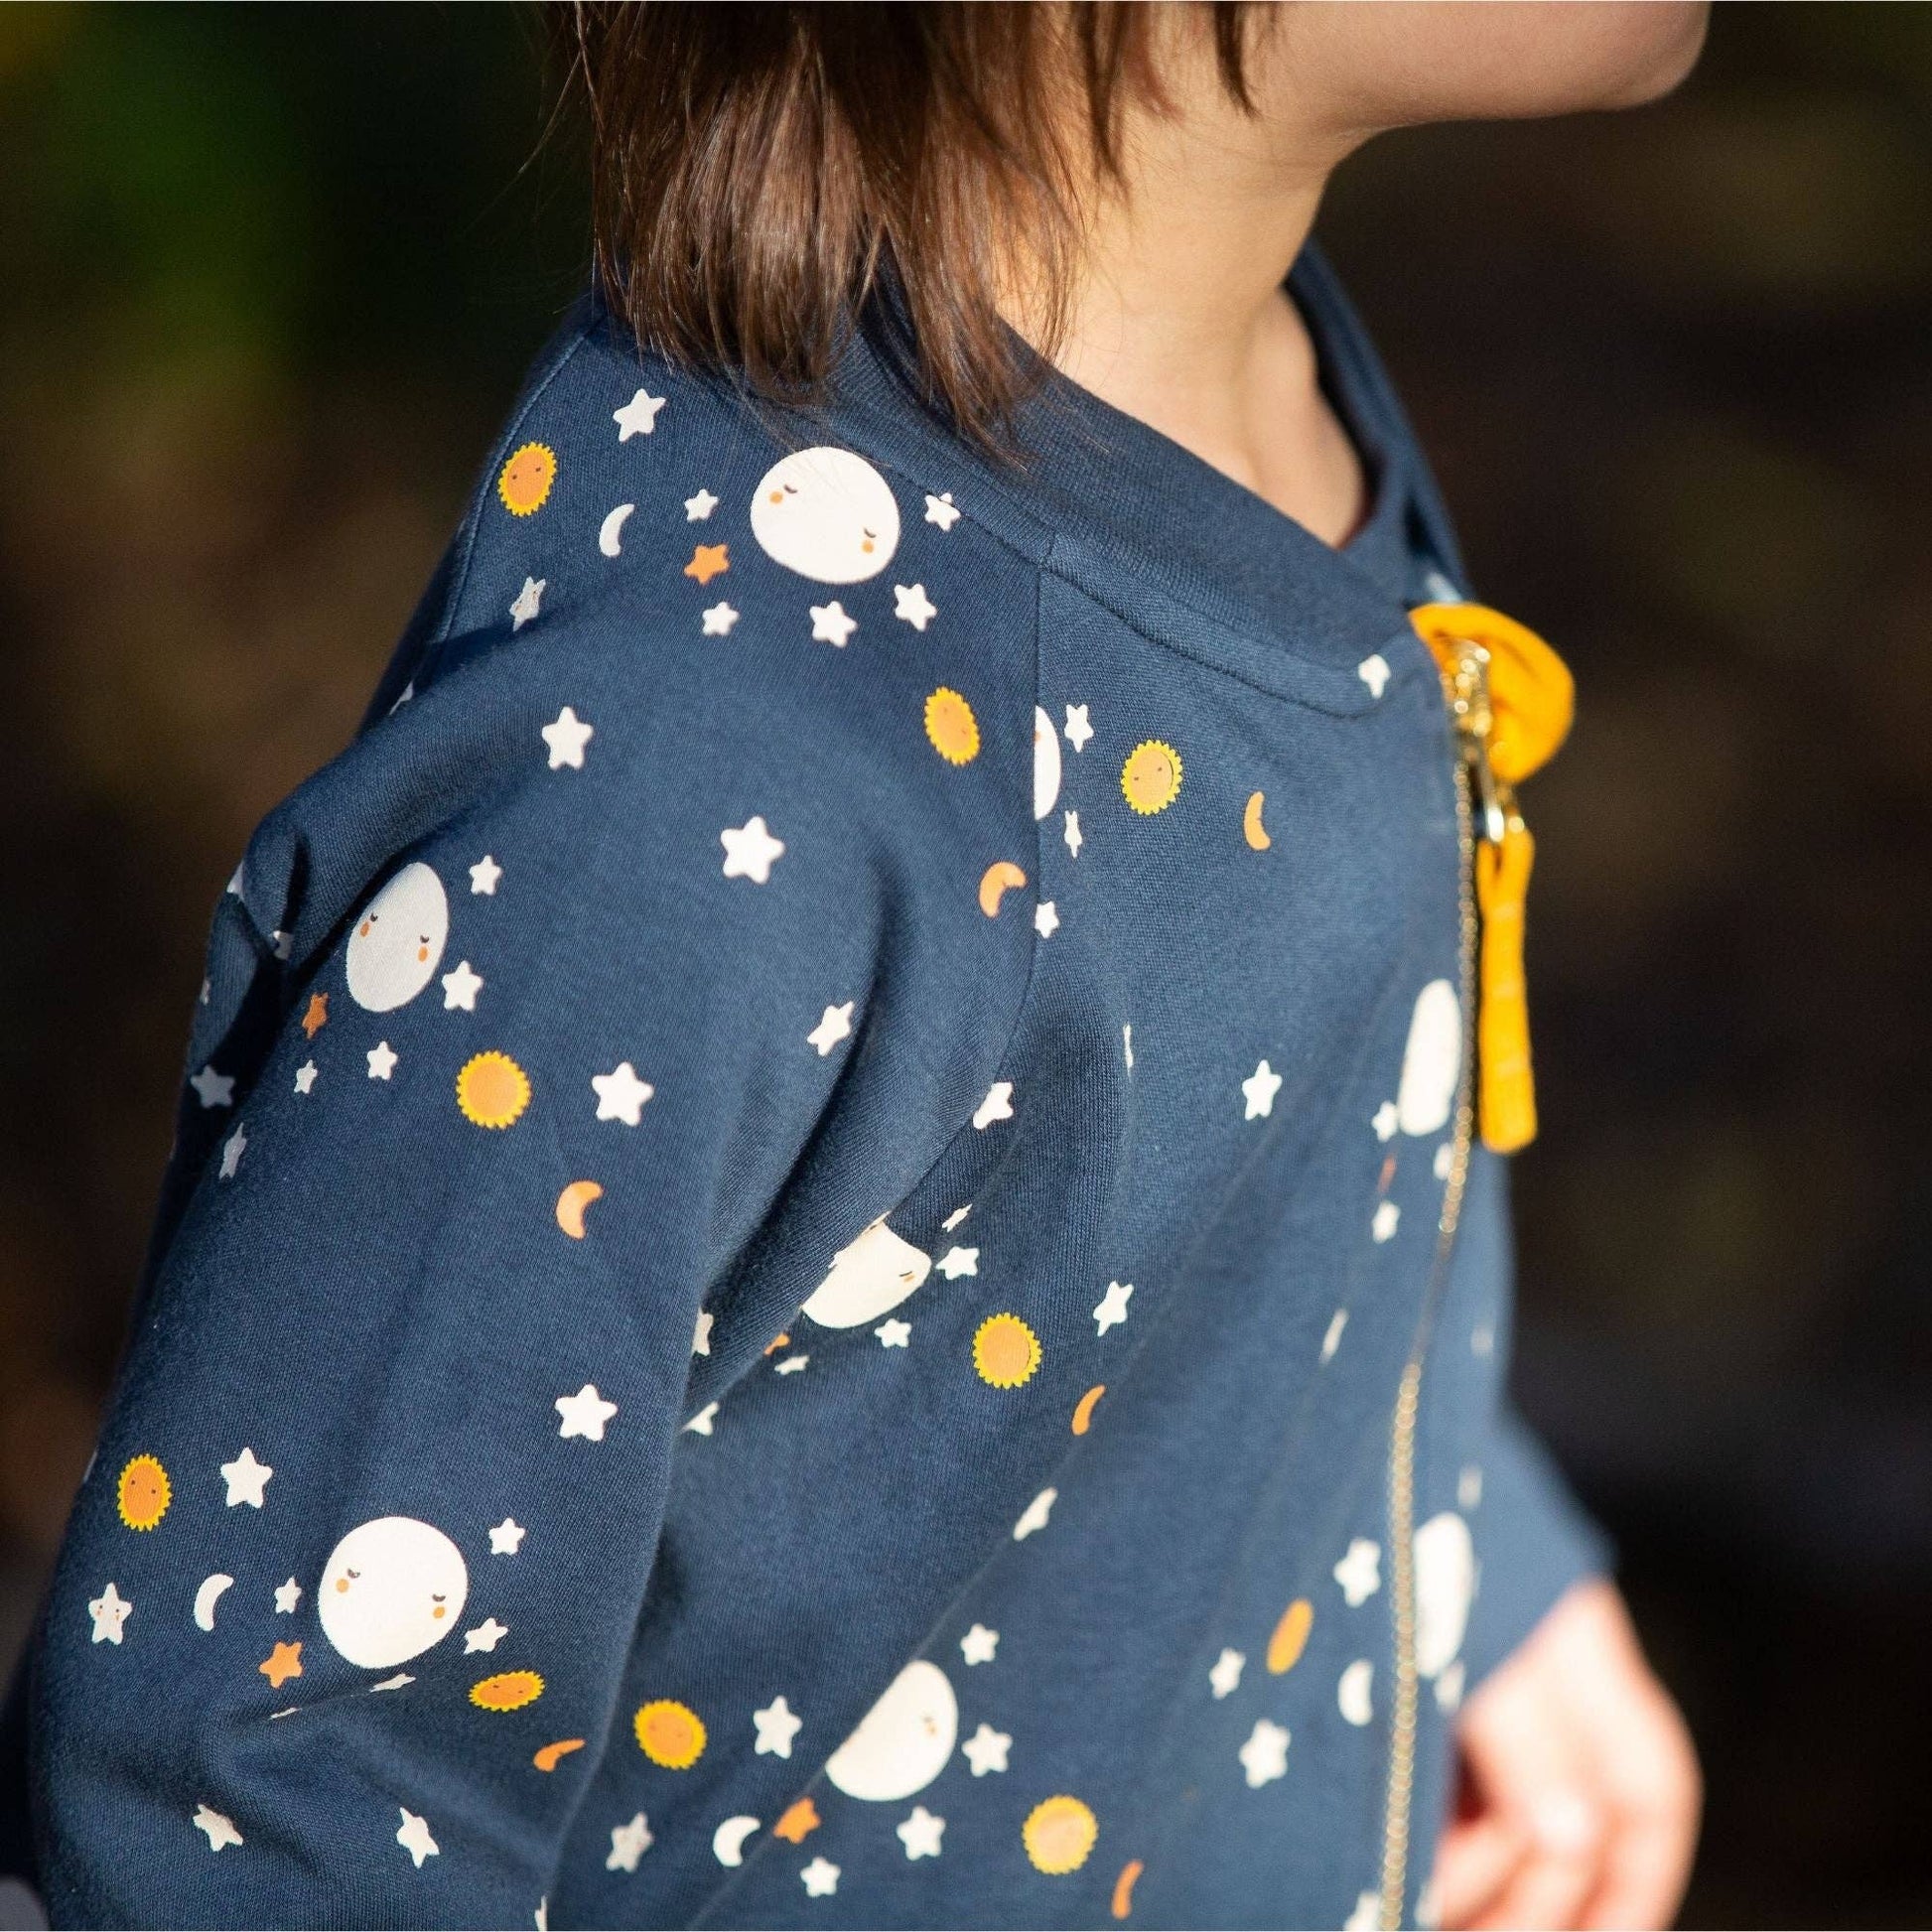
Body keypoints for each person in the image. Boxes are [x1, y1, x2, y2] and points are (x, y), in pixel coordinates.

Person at [1, 5, 1704, 1926]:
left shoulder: (1259, 396)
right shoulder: (705, 768)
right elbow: (255, 1780)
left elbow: (1213, 1162)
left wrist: (1466, 1561)